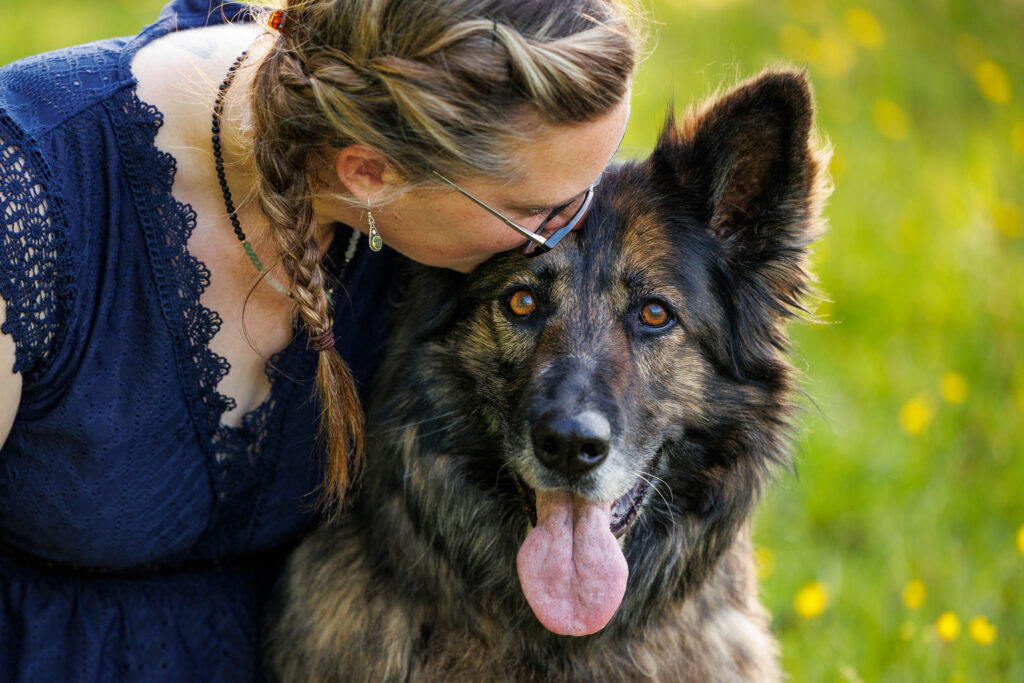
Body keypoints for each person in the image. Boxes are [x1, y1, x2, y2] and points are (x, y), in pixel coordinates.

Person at [0, 0, 636, 679]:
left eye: (591, 188)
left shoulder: (426, 223)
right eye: (541, 216)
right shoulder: (29, 200)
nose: (568, 235)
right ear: (369, 174)